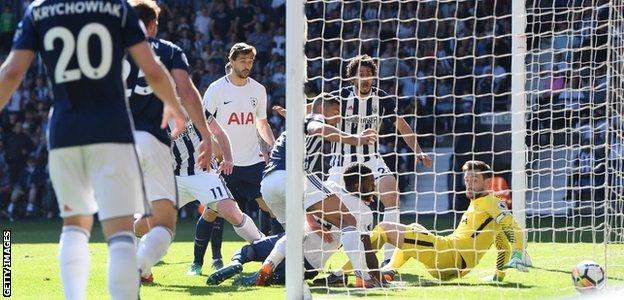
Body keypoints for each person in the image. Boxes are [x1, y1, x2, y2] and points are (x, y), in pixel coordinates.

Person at [0, 0, 186, 298]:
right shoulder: (117, 7)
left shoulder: (39, 9)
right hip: (112, 130)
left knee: (74, 226)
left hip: (64, 130)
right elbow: (151, 67)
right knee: (121, 233)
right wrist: (174, 106)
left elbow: (11, 73)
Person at [319, 160, 529, 286]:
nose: (469, 183)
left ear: (487, 181)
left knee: (384, 227)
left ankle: (341, 274)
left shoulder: (491, 201)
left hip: (450, 256)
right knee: (416, 228)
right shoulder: (482, 206)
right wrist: (499, 276)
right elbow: (501, 243)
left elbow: (514, 228)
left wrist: (519, 253)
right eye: (466, 179)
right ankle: (389, 270)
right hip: (453, 263)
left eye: (475, 179)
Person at [124, 0, 213, 283]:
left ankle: (140, 270)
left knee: (131, 213)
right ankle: (137, 268)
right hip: (151, 139)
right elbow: (186, 91)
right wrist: (206, 136)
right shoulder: (169, 50)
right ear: (153, 25)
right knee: (164, 223)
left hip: (113, 143)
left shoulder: (106, 51)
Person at [259, 93, 382, 287]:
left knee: (295, 232)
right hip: (292, 176)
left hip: (268, 184)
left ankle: (267, 266)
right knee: (348, 220)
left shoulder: (296, 125)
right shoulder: (315, 118)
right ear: (323, 109)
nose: (338, 118)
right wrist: (355, 139)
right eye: (336, 112)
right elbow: (318, 127)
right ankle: (362, 277)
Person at [327, 54, 433, 266]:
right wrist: (292, 113)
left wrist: (418, 151)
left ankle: (387, 260)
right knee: (330, 213)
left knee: (392, 196)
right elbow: (317, 110)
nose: (365, 79)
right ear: (352, 78)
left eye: (369, 75)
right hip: (341, 164)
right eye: (361, 75)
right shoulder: (340, 97)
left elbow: (402, 126)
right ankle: (315, 256)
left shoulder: (382, 98)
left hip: (371, 161)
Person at [207, 163, 376, 286]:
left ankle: (237, 263)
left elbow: (308, 201)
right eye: (370, 183)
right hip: (310, 263)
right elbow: (368, 251)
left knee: (249, 250)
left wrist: (311, 222)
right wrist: (376, 275)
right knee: (275, 278)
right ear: (357, 185)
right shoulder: (365, 212)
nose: (374, 187)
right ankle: (262, 274)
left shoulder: (331, 187)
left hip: (292, 237)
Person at [189, 42, 276, 275]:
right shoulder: (217, 89)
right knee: (213, 211)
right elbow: (203, 123)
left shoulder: (258, 89)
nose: (247, 65)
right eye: (243, 61)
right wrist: (211, 150)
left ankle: (271, 252)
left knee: (269, 205)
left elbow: (262, 123)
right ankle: (201, 262)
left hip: (252, 161)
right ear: (232, 61)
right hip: (224, 163)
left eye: (250, 61)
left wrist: (273, 145)